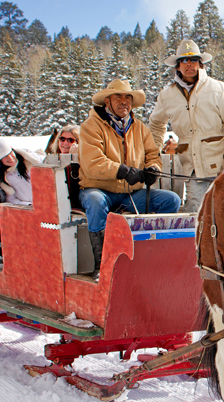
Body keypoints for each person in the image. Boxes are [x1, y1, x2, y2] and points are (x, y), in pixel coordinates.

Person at [79, 79, 182, 281]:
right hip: (99, 190)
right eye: (118, 97)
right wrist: (122, 171)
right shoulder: (90, 126)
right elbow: (93, 163)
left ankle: (150, 258)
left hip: (130, 194)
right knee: (95, 201)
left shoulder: (140, 128)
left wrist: (153, 168)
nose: (124, 101)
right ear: (107, 101)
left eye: (128, 97)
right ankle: (102, 264)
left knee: (172, 200)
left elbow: (152, 154)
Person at [149, 39, 224, 213]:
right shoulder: (166, 95)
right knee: (196, 215)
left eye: (193, 60)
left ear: (200, 64)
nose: (189, 64)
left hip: (222, 166)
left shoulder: (219, 90)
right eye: (184, 61)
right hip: (191, 169)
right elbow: (155, 124)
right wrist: (153, 154)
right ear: (178, 66)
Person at [0, 138, 44, 205]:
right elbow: (11, 200)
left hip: (50, 202)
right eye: (5, 156)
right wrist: (27, 204)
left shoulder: (30, 159)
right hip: (31, 210)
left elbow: (48, 162)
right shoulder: (4, 178)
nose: (10, 158)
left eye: (10, 152)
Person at [45, 125, 82, 210]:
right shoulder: (50, 159)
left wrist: (73, 158)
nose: (65, 143)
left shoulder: (85, 160)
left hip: (76, 202)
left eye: (70, 140)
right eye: (62, 139)